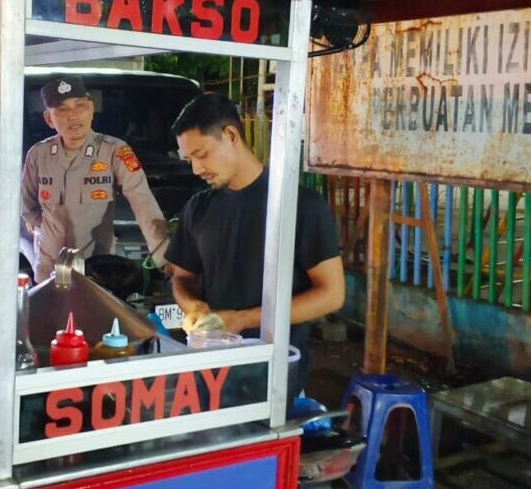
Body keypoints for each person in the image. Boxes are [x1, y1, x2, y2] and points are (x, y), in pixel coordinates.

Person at [165, 93, 344, 399]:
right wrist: (194, 307)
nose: (196, 169)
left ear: (231, 135)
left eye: (201, 154)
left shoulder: (299, 205)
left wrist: (243, 319)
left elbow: (332, 295)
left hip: (275, 371)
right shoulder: (197, 208)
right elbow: (181, 277)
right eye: (189, 160)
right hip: (209, 369)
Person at [21, 76, 170, 282]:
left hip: (97, 270)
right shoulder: (38, 155)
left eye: (80, 106)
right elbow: (28, 207)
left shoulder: (114, 151)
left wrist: (164, 257)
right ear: (49, 119)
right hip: (49, 270)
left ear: (91, 109)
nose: (73, 116)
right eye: (62, 110)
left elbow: (143, 203)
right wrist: (48, 227)